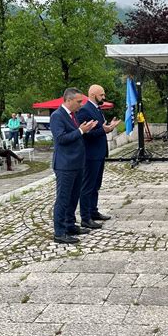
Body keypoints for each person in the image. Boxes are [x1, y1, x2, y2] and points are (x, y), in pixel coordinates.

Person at [50, 88, 97, 244]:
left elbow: (76, 133)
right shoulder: (57, 116)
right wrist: (80, 131)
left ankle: (70, 224)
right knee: (63, 199)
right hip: (65, 165)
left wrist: (85, 129)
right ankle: (59, 232)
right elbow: (61, 138)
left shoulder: (73, 115)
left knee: (73, 197)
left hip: (77, 163)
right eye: (78, 102)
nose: (80, 105)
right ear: (68, 100)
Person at [77, 84, 120, 228]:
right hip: (90, 154)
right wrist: (104, 130)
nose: (104, 97)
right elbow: (86, 134)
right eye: (101, 95)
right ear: (93, 95)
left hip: (100, 152)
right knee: (88, 186)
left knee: (96, 185)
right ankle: (85, 217)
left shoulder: (97, 109)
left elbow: (100, 128)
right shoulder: (84, 110)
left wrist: (109, 127)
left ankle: (93, 211)